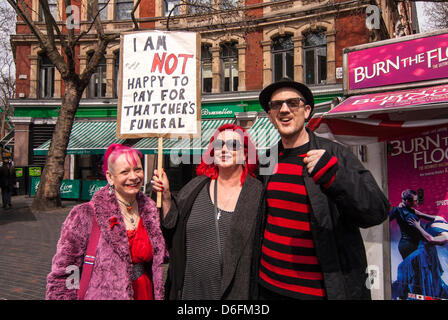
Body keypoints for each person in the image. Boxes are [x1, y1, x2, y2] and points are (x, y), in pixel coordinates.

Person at [251, 77, 389, 300]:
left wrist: (335, 177)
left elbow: (376, 212)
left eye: (292, 103)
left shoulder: (334, 154)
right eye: (276, 105)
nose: (284, 110)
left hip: (318, 291)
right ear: (270, 116)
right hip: (268, 286)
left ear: (306, 111)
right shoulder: (267, 159)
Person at [152, 123, 263, 300]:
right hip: (190, 294)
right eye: (219, 145)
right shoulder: (195, 187)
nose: (224, 149)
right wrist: (165, 196)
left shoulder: (257, 194)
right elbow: (171, 226)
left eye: (233, 145)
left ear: (245, 153)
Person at [46, 144, 167, 300]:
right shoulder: (85, 214)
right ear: (110, 177)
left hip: (145, 292)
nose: (134, 177)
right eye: (125, 171)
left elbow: (162, 255)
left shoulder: (149, 210)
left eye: (137, 169)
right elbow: (65, 272)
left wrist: (166, 197)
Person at [393, 219, 448, 299]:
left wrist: (418, 226)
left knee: (406, 268)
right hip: (424, 250)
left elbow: (432, 239)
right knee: (412, 272)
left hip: (425, 252)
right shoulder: (441, 220)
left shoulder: (445, 235)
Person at [390, 189, 445, 260]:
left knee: (413, 269)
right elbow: (429, 239)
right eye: (415, 200)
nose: (417, 202)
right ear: (407, 201)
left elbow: (424, 215)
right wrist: (418, 226)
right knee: (415, 269)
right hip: (411, 247)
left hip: (406, 245)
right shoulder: (411, 217)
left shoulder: (399, 210)